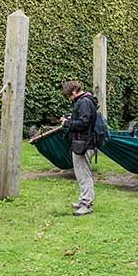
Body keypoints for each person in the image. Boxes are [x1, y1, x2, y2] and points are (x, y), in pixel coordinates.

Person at [60, 80, 97, 216]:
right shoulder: (85, 101)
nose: (70, 98)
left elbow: (83, 123)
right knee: (81, 174)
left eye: (69, 95)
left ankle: (87, 204)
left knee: (83, 175)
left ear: (74, 91)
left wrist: (67, 122)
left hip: (84, 143)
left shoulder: (84, 102)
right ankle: (83, 201)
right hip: (84, 142)